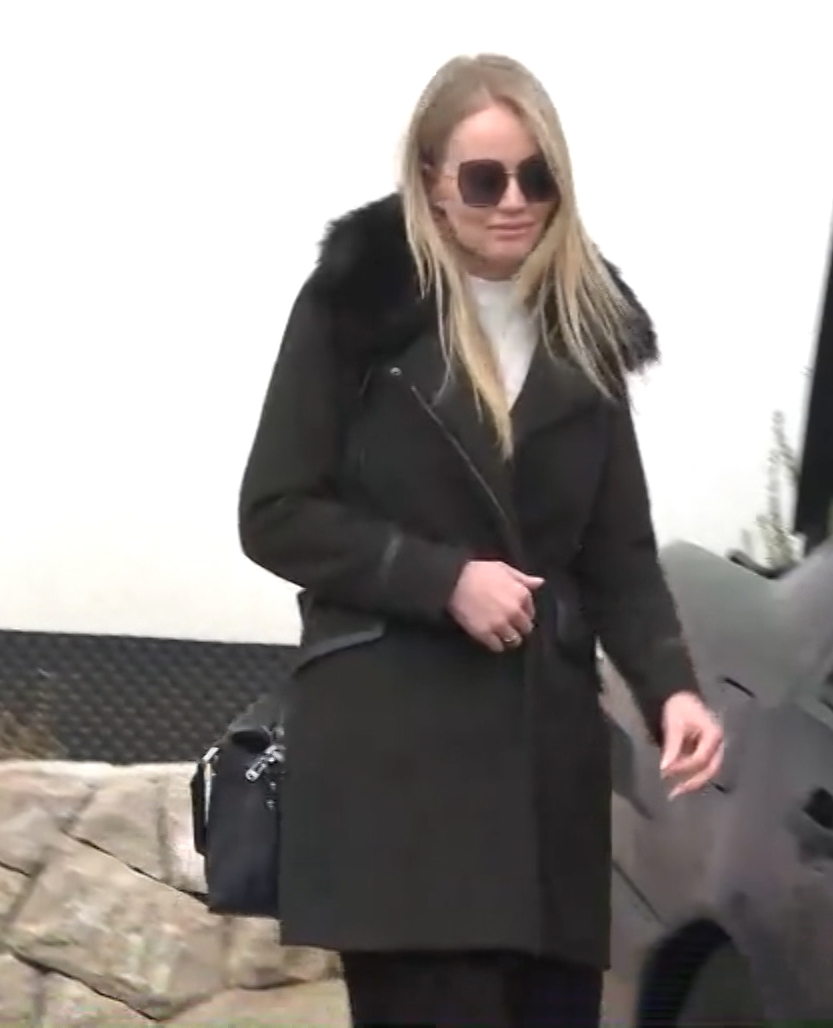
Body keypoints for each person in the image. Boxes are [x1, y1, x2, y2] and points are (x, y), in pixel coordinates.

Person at [236, 53, 726, 1028]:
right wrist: (443, 580)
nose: (514, 202)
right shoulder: (355, 308)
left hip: (546, 785)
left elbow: (620, 553)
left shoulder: (586, 329)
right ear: (430, 181)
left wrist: (672, 688)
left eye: (537, 178)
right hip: (399, 776)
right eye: (485, 178)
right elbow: (276, 510)